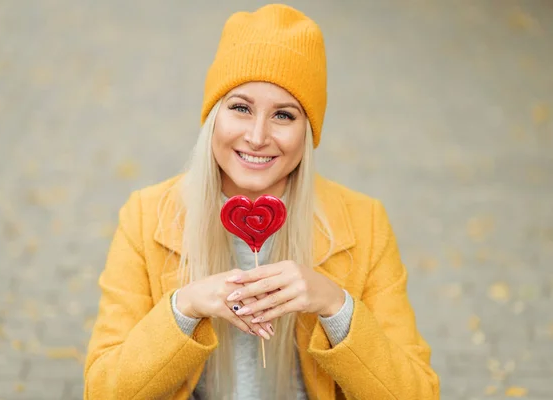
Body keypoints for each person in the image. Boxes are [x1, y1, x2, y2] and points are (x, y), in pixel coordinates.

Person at [83, 4, 440, 400]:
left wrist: (335, 306)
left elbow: (418, 393)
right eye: (240, 108)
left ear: (308, 131)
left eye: (283, 116)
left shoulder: (363, 222)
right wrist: (184, 307)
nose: (257, 136)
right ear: (213, 116)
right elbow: (103, 390)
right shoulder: (146, 216)